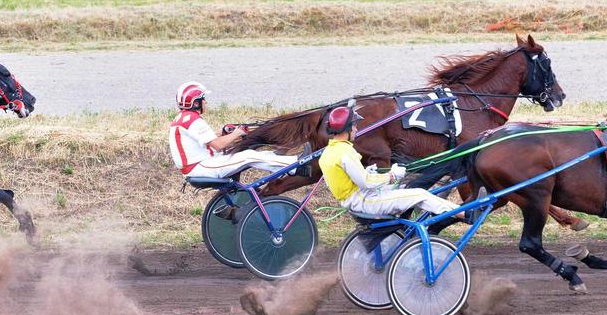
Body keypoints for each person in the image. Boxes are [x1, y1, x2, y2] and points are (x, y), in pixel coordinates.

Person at [319, 101, 458, 218]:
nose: (356, 129)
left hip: (357, 198)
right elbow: (366, 182)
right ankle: (461, 213)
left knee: (408, 188)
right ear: (347, 129)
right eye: (354, 126)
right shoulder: (345, 152)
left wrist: (368, 171)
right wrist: (392, 175)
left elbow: (348, 178)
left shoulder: (328, 152)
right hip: (363, 200)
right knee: (419, 194)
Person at [168, 82, 301, 178]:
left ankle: (279, 159)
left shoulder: (182, 118)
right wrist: (237, 132)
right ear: (196, 103)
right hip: (200, 168)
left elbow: (207, 139)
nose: (206, 102)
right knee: (248, 156)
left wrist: (223, 131)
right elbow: (218, 145)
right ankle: (295, 164)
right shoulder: (193, 120)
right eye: (203, 99)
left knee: (248, 153)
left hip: (197, 166)